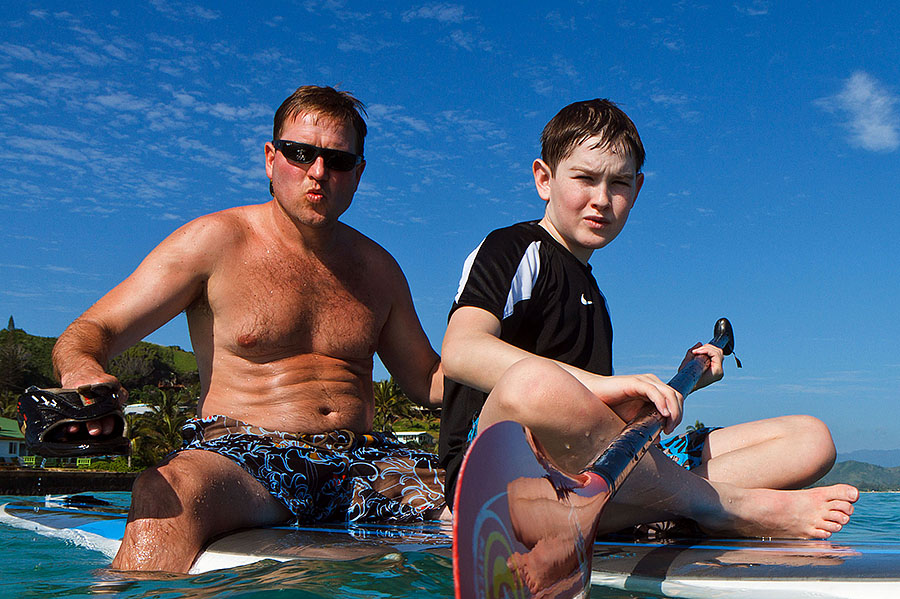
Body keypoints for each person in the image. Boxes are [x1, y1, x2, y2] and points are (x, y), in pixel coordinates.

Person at [52, 85, 446, 573]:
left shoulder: (380, 269)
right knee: (163, 490)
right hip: (245, 455)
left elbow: (426, 379)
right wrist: (81, 369)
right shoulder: (215, 242)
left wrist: (519, 366)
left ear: (358, 172)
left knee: (489, 503)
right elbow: (95, 327)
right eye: (301, 154)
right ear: (270, 158)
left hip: (360, 460)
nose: (318, 172)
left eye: (338, 160)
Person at [438, 98, 858, 539]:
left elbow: (587, 423)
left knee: (811, 439)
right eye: (584, 178)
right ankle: (727, 506)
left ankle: (657, 508)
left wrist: (667, 390)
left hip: (576, 478)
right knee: (533, 384)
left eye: (619, 184)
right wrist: (603, 386)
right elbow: (462, 351)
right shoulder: (513, 248)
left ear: (636, 190)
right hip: (492, 474)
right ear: (544, 179)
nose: (601, 199)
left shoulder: (593, 294)